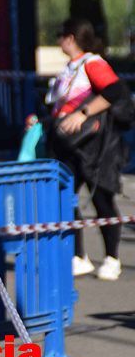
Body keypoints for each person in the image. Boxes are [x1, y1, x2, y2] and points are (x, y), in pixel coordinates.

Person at [45, 18, 130, 281]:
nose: (58, 40)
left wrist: (83, 113)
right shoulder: (69, 69)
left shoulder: (92, 63)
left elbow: (116, 92)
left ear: (71, 38)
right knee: (65, 197)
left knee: (102, 198)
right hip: (69, 147)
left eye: (60, 35)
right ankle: (79, 256)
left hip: (96, 147)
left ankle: (111, 258)